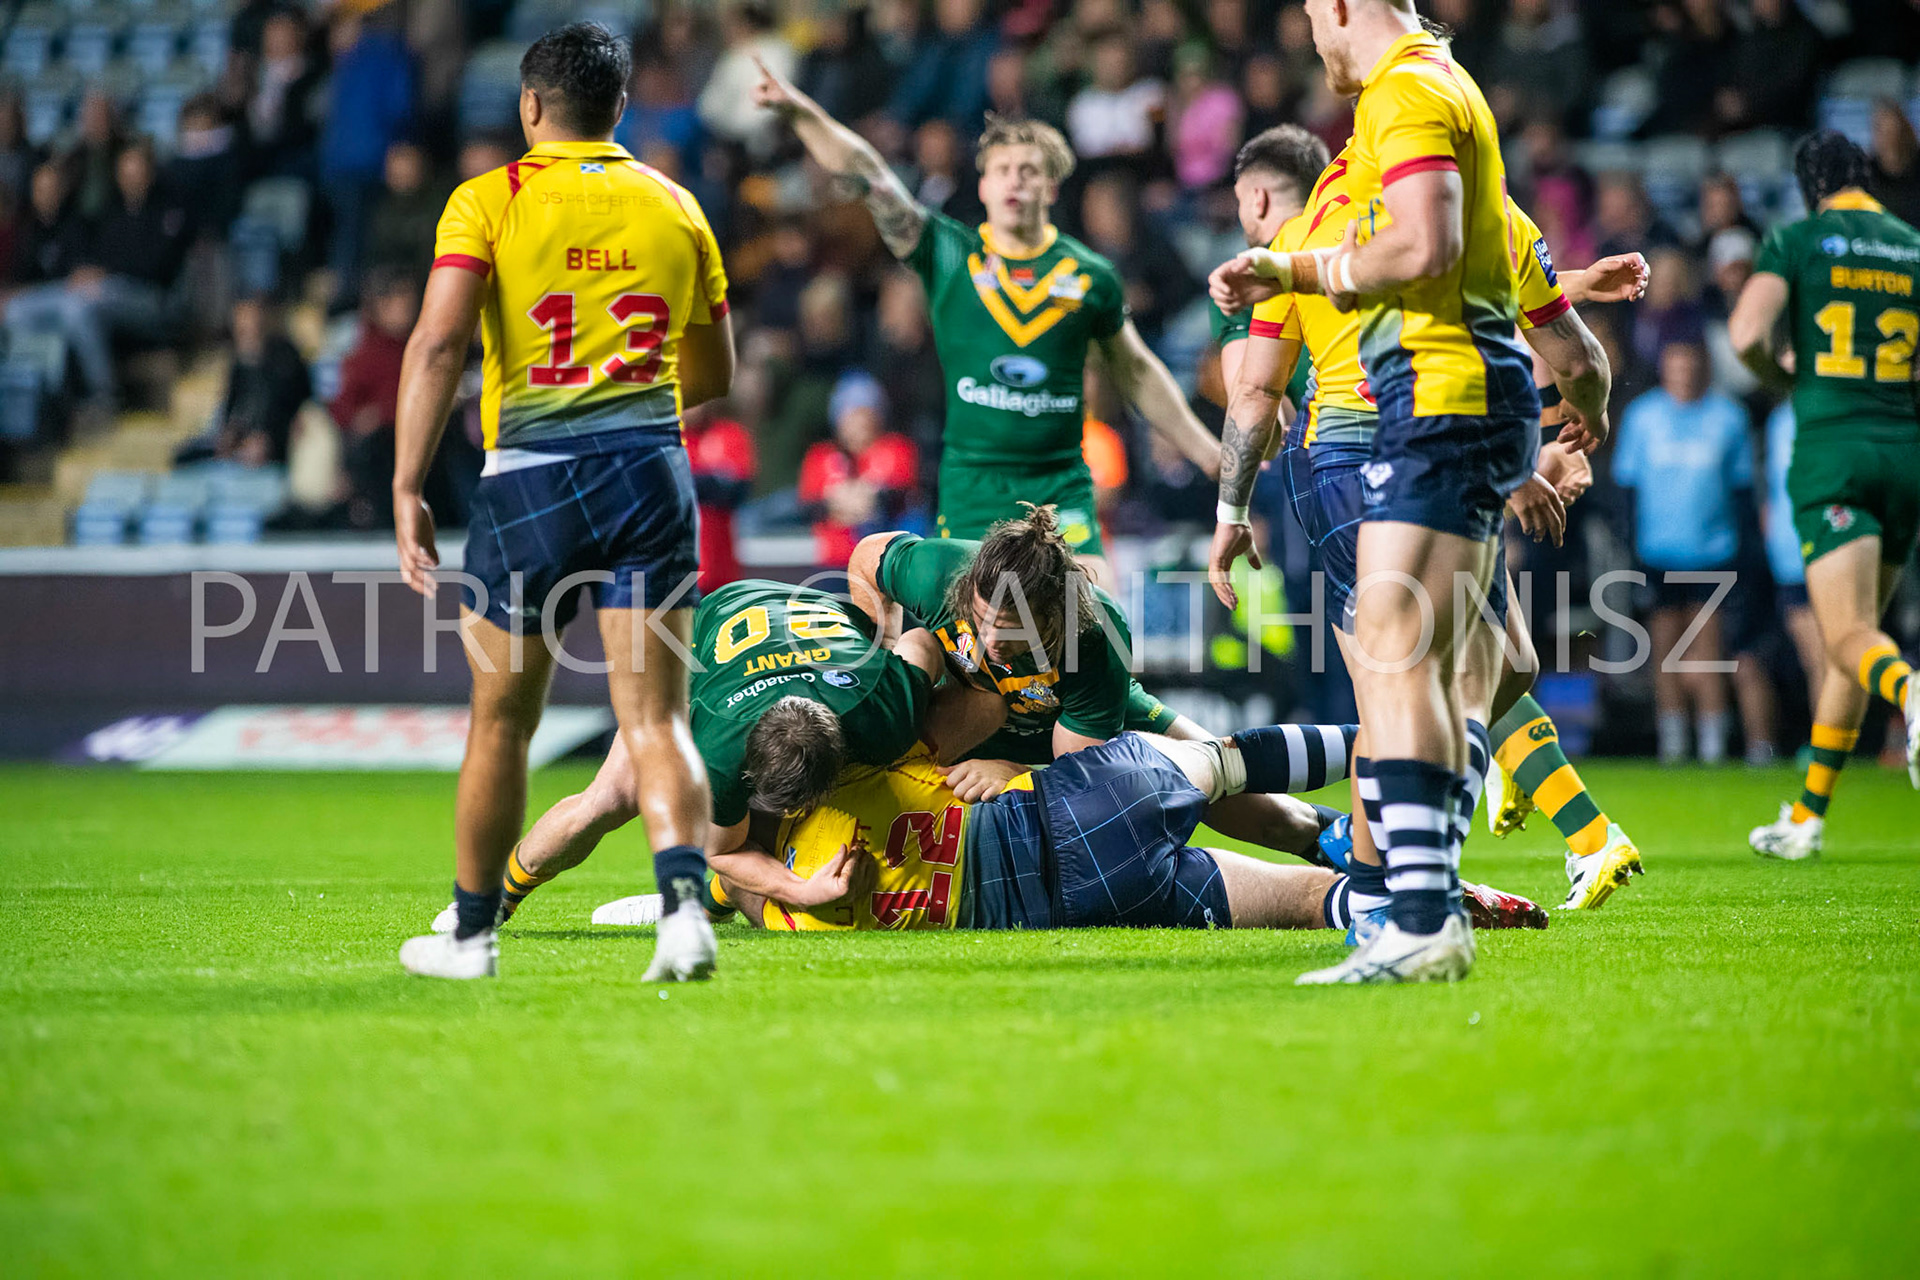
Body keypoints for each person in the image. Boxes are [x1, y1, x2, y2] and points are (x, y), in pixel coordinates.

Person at [1207, 0, 1549, 984]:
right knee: (1423, 667)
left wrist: (1230, 511)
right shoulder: (1426, 129)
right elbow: (1512, 266)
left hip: (1403, 428)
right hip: (1394, 436)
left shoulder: (1360, 178)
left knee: (1466, 664)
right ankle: (1394, 894)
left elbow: (1257, 393)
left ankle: (1399, 887)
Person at [391, 23, 735, 982]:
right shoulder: (675, 206)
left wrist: (407, 483)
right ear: (620, 108)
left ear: (530, 106)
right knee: (656, 721)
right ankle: (682, 916)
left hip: (529, 480)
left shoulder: (488, 200)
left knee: (502, 721)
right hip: (649, 471)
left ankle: (470, 937)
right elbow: (714, 371)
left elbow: (434, 344)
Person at [750, 56, 1219, 585]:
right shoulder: (950, 254)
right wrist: (804, 113)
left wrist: (1207, 453)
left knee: (1101, 619)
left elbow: (1136, 371)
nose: (1015, 181)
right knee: (955, 654)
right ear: (983, 186)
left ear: (1052, 187)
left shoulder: (1090, 276)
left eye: (1029, 170)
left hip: (1060, 491)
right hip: (973, 493)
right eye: (1002, 170)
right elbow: (872, 177)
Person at [592, 732, 1548, 938]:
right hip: (1068, 812)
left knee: (1309, 905)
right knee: (1229, 762)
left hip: (1066, 904)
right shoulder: (836, 771)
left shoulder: (804, 917)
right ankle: (1414, 740)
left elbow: (719, 874)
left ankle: (1422, 900)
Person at [424, 579, 955, 934]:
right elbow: (722, 848)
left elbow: (921, 642)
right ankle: (494, 899)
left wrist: (886, 660)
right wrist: (800, 889)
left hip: (808, 622)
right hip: (696, 646)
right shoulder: (719, 752)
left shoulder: (881, 705)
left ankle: (697, 903)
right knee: (611, 797)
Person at [1732, 131, 1920, 857]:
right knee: (1857, 636)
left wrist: (1787, 374)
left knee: (1844, 633)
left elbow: (1748, 331)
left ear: (1811, 187)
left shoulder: (1801, 238)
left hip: (1833, 451)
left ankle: (1909, 694)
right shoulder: (1910, 243)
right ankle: (1807, 819)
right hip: (1904, 452)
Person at [1612, 340, 1756, 766]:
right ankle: (1673, 742)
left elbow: (1743, 490)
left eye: (1690, 366)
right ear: (1664, 370)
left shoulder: (1728, 417)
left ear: (1703, 369)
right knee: (1663, 651)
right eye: (1675, 367)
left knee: (1707, 651)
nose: (1683, 375)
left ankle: (1712, 744)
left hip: (1712, 552)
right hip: (1657, 553)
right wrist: (1630, 546)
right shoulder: (1643, 416)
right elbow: (1626, 487)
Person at [797, 372, 920, 569]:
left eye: (865, 411)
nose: (859, 421)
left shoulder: (897, 448)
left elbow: (898, 498)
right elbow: (811, 508)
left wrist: (846, 503)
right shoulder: (820, 456)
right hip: (835, 561)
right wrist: (857, 501)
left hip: (887, 561)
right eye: (851, 412)